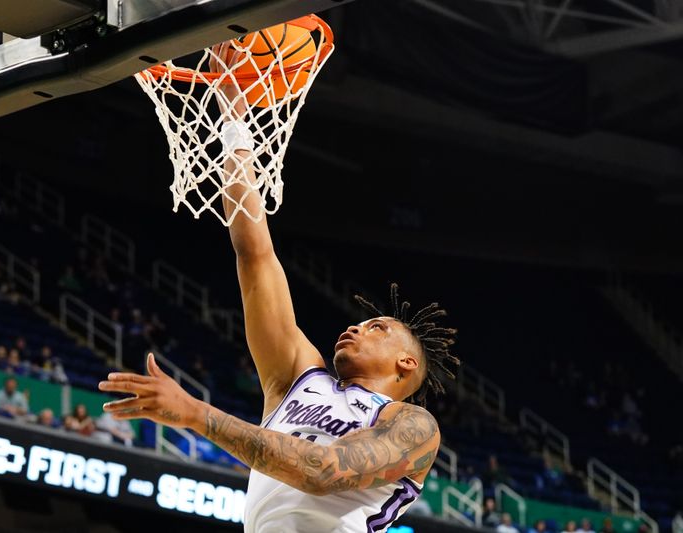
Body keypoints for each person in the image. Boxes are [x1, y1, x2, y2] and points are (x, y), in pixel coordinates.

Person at [99, 43, 461, 533]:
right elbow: (255, 252)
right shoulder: (297, 376)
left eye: (376, 327)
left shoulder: (412, 426)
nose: (354, 327)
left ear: (407, 363)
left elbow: (323, 470)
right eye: (360, 321)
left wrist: (196, 414)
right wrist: (232, 115)